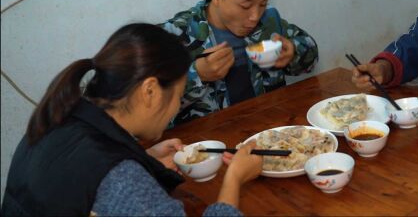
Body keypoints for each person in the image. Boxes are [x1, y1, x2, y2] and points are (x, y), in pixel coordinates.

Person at [1, 23, 263, 216]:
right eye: (178, 95)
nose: (176, 106)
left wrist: (141, 155)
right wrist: (234, 180)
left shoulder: (58, 116)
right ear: (149, 91)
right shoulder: (121, 178)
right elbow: (114, 182)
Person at [162, 0, 318, 126]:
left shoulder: (269, 23)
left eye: (263, 4)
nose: (254, 16)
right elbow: (149, 110)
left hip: (270, 131)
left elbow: (311, 55)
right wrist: (198, 75)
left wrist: (292, 52)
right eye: (245, 5)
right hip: (209, 145)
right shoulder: (175, 35)